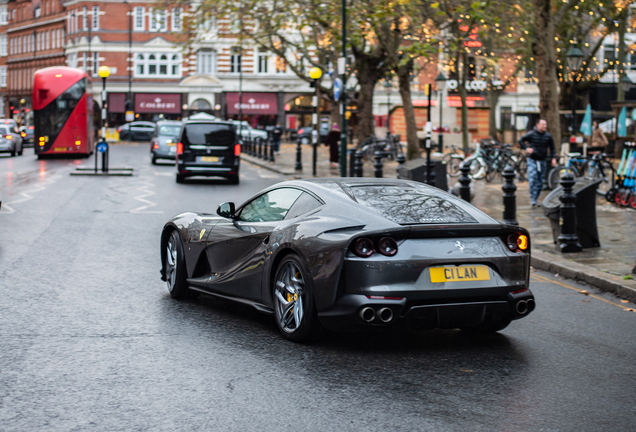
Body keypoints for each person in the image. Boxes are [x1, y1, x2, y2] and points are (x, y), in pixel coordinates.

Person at [518, 118, 557, 207]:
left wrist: (553, 158)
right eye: (543, 124)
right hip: (532, 160)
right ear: (537, 125)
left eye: (545, 125)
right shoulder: (531, 134)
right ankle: (533, 199)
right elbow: (520, 140)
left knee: (540, 181)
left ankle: (536, 198)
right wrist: (527, 148)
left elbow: (552, 148)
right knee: (533, 179)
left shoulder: (548, 136)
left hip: (542, 161)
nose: (544, 126)